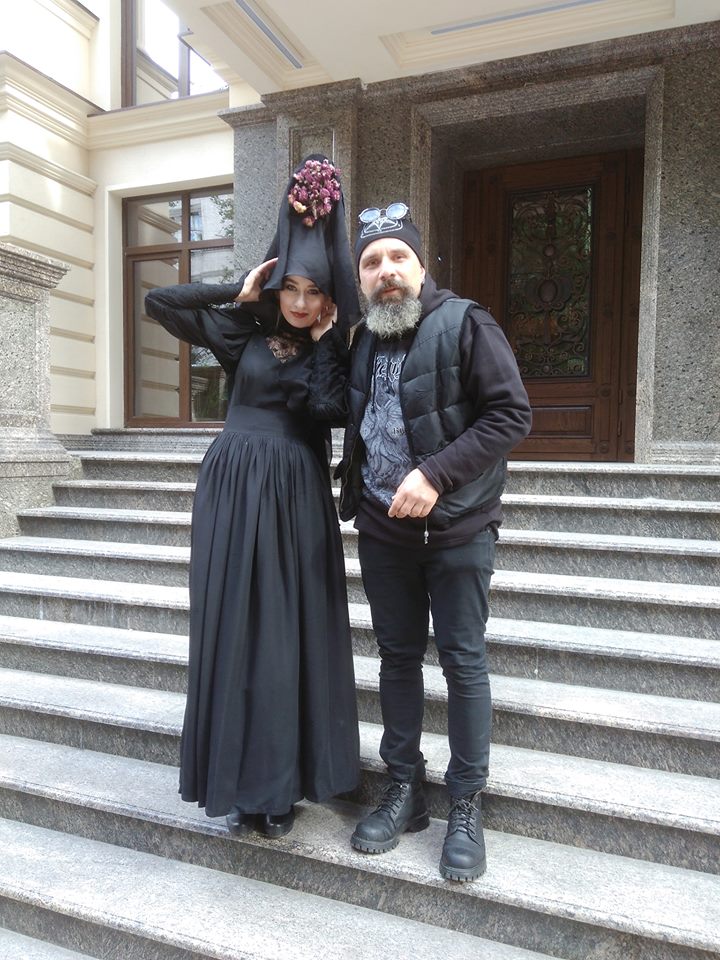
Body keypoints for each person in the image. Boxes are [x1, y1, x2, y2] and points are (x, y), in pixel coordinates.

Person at [145, 155, 360, 839]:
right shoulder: (243, 330)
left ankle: (281, 787)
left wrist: (325, 343)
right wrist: (238, 290)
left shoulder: (334, 345)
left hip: (296, 494)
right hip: (234, 487)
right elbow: (161, 304)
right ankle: (239, 784)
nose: (299, 301)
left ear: (330, 296)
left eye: (313, 291)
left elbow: (330, 412)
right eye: (290, 286)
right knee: (234, 625)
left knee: (286, 633)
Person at [337, 202, 532, 880]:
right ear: (361, 280)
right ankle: (405, 790)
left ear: (422, 267)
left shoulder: (467, 322)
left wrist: (434, 475)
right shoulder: (363, 340)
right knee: (396, 659)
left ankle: (466, 804)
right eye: (371, 262)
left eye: (398, 257)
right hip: (383, 531)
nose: (386, 270)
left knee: (462, 662)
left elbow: (510, 414)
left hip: (458, 529)